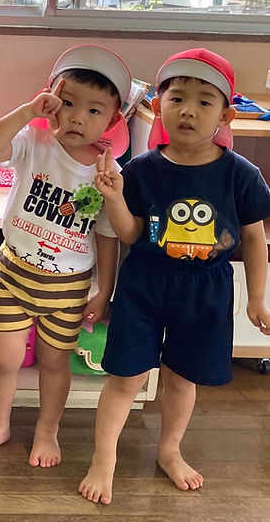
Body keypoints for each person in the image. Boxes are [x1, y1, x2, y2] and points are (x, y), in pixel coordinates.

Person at [79, 49, 270, 505]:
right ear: (157, 105)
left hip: (206, 289)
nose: (188, 110)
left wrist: (256, 298)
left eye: (204, 102)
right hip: (144, 284)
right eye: (177, 98)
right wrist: (115, 199)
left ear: (225, 115)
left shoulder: (241, 175)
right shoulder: (141, 169)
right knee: (125, 377)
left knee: (182, 378)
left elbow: (253, 237)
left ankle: (169, 450)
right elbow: (129, 233)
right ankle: (103, 459)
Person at [0, 45, 129, 468]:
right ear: (51, 100)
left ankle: (47, 430)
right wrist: (27, 111)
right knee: (3, 359)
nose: (77, 117)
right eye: (67, 103)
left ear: (112, 120)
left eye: (94, 110)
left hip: (68, 288)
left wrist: (104, 291)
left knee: (55, 363)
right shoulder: (34, 140)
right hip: (14, 274)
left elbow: (108, 236)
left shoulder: (107, 172)